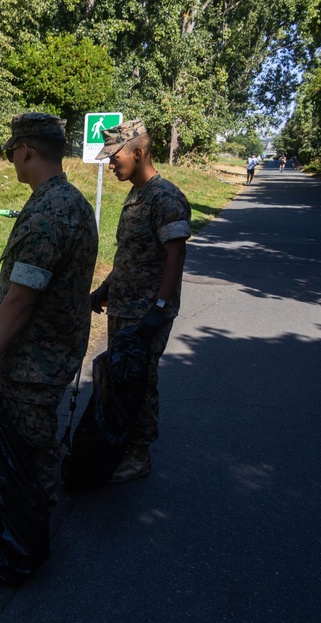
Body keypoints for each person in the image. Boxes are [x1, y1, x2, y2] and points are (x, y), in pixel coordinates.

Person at [0, 112, 99, 507]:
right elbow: (47, 281)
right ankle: (32, 519)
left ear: (26, 151)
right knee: (37, 438)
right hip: (56, 345)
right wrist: (5, 295)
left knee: (30, 448)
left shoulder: (48, 212)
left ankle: (30, 531)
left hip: (36, 359)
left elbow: (25, 299)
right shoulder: (72, 201)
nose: (11, 160)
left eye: (12, 152)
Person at [91, 119, 191, 482]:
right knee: (122, 377)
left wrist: (159, 310)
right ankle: (121, 440)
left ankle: (139, 454)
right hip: (123, 306)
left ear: (138, 152)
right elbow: (131, 255)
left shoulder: (165, 197)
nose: (110, 164)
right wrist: (104, 290)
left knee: (141, 379)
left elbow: (175, 255)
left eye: (114, 156)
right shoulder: (135, 195)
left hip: (147, 311)